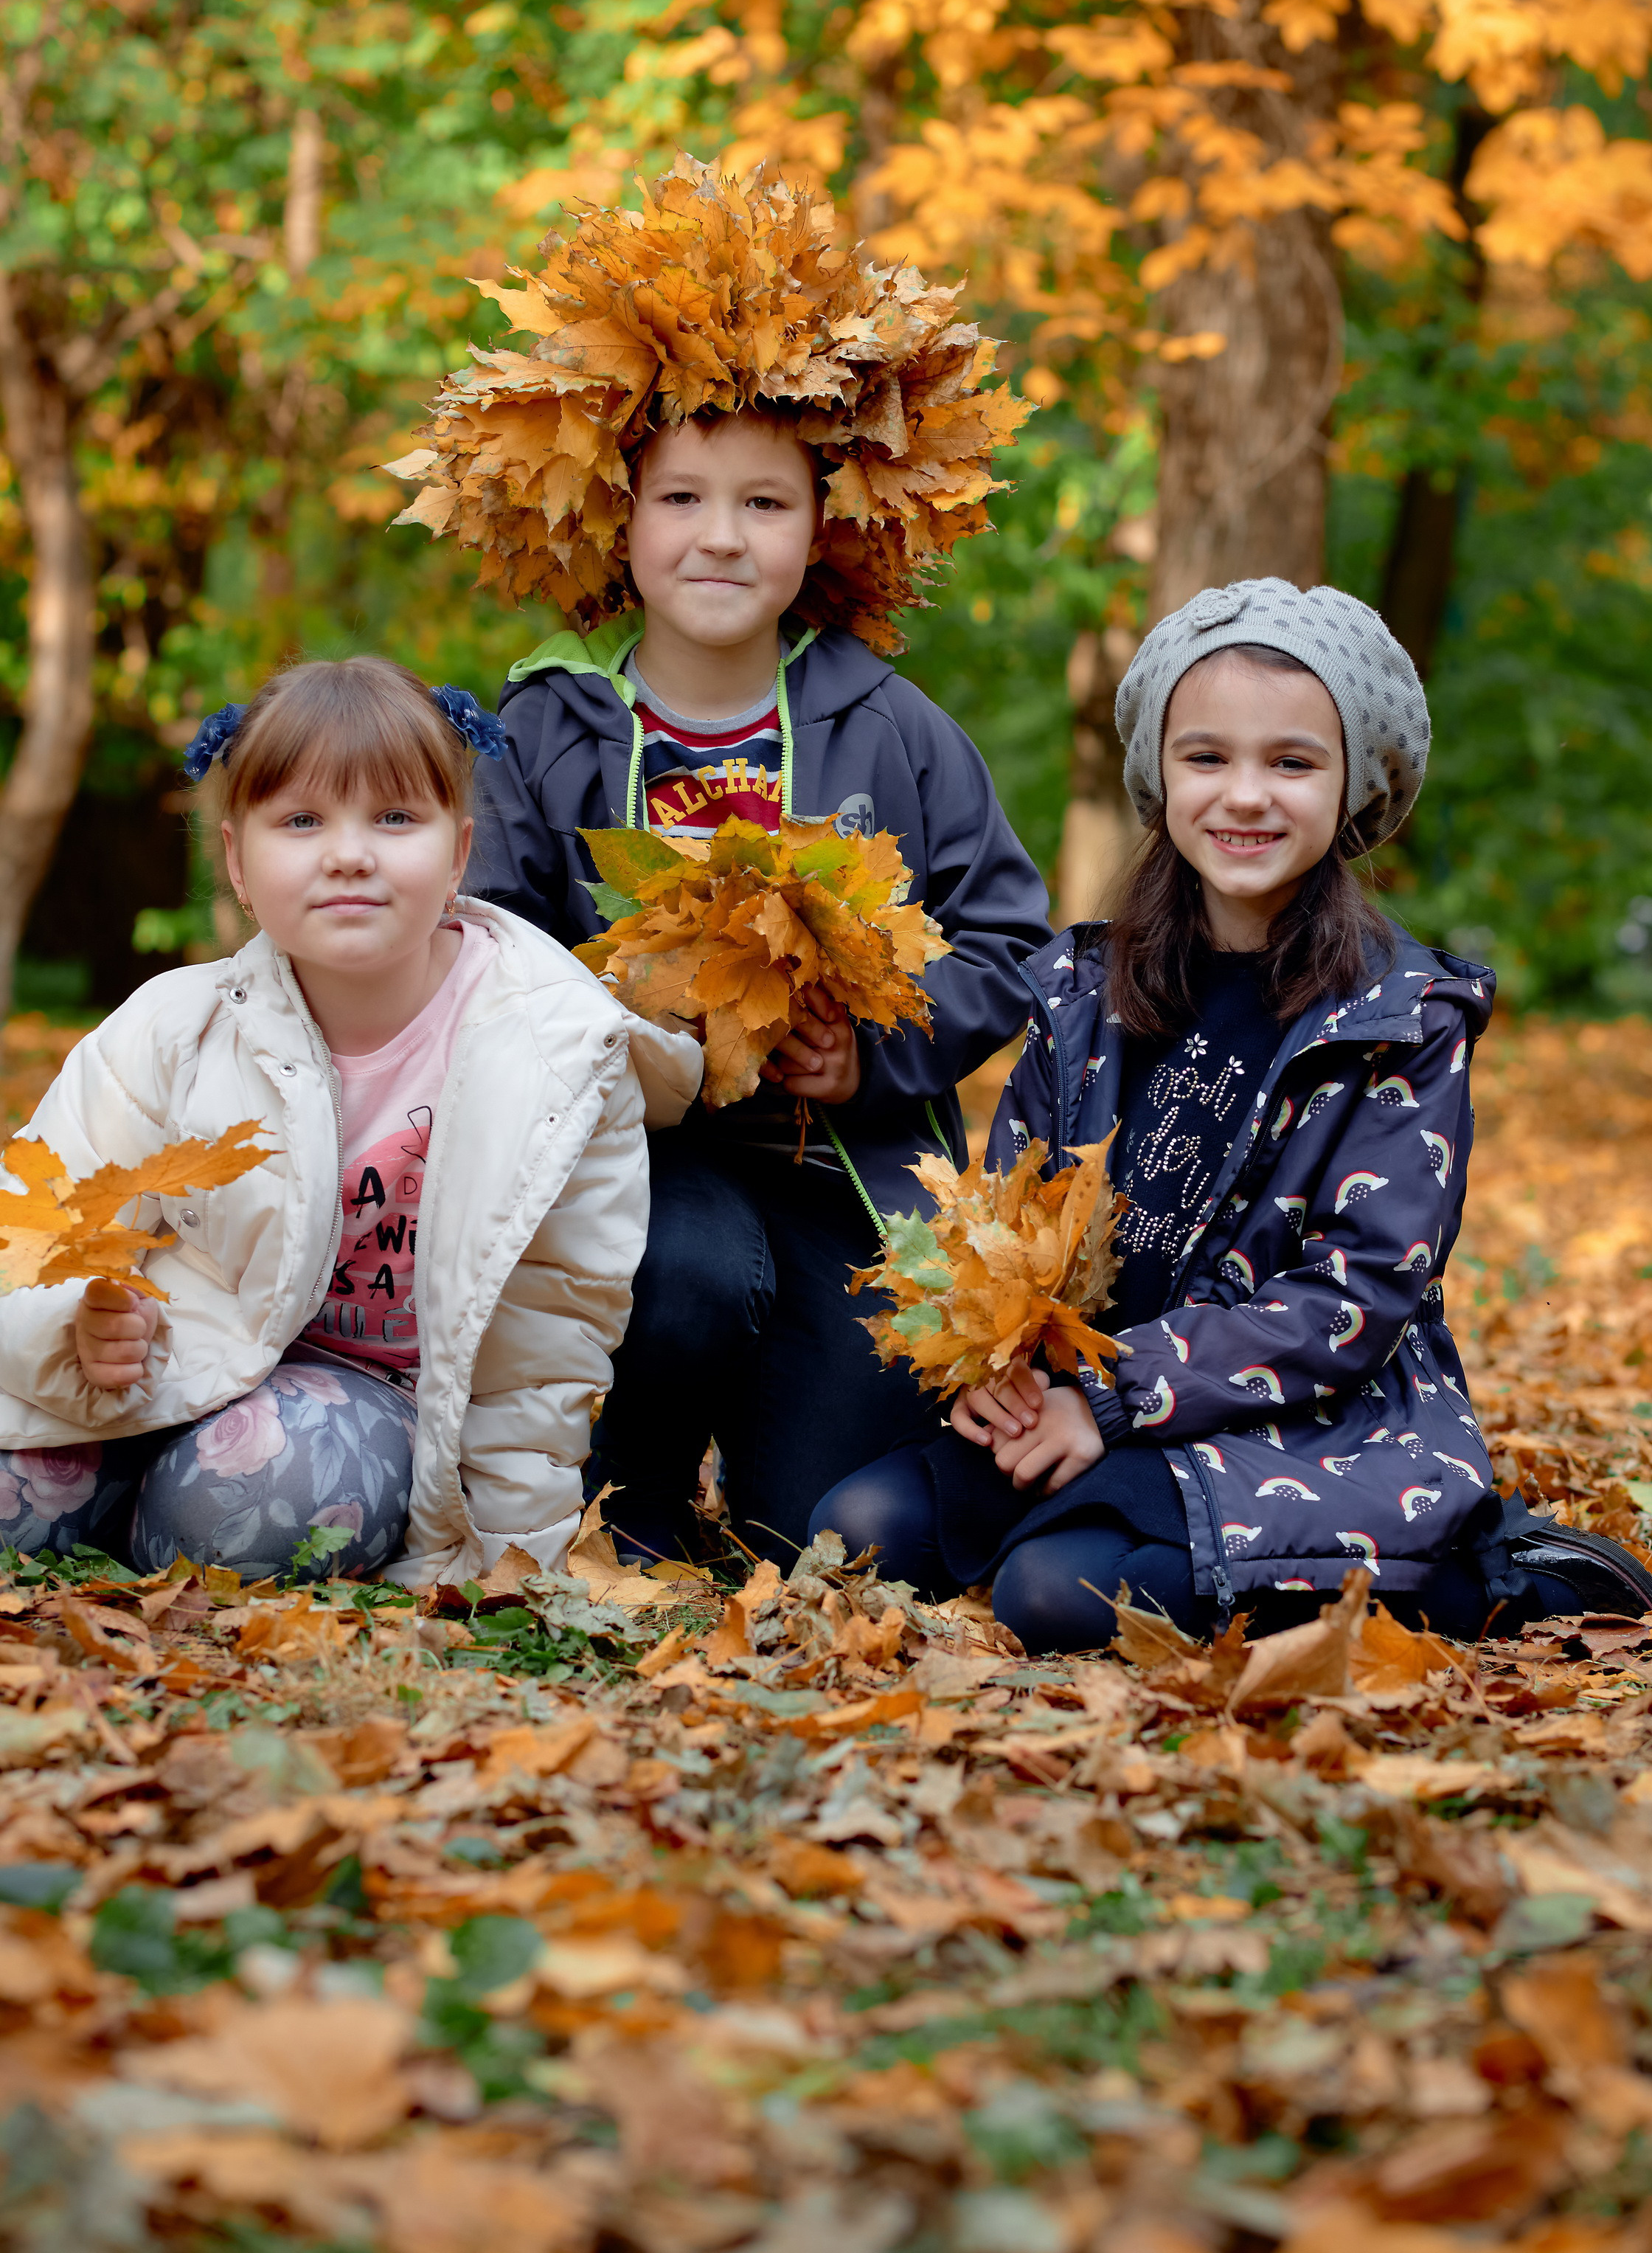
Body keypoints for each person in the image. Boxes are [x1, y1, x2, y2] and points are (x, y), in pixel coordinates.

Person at [392, 156, 1052, 1565]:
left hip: (847, 1168)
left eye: (764, 502)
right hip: (632, 1160)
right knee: (688, 1270)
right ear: (619, 522)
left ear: (823, 528)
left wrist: (873, 1059)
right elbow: (485, 945)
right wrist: (614, 1025)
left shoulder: (893, 724)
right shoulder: (550, 722)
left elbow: (1007, 940)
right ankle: (623, 1493)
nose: (720, 535)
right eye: (682, 497)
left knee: (818, 1530)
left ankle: (760, 1479)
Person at [811, 577, 1652, 1651]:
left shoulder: (1401, 1019)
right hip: (1090, 1393)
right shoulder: (1082, 991)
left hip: (1303, 1420)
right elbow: (1008, 1226)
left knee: (1056, 1596)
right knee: (861, 1527)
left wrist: (1108, 1403)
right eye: (1208, 757)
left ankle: (1498, 1574)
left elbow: (1356, 1295)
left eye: (1291, 763)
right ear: (1160, 776)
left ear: (1354, 785)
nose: (1245, 796)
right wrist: (998, 1371)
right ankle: (1096, 1500)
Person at [0, 658, 701, 1586]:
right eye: (300, 821)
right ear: (238, 863)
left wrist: (506, 1563)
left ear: (457, 853)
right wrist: (75, 1331)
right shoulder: (174, 1029)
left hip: (378, 1402)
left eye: (393, 818)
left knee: (234, 1505)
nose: (349, 854)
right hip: (189, 1359)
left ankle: (155, 1525)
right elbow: (34, 1230)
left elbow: (549, 1336)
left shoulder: (557, 1059)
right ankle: (125, 1511)